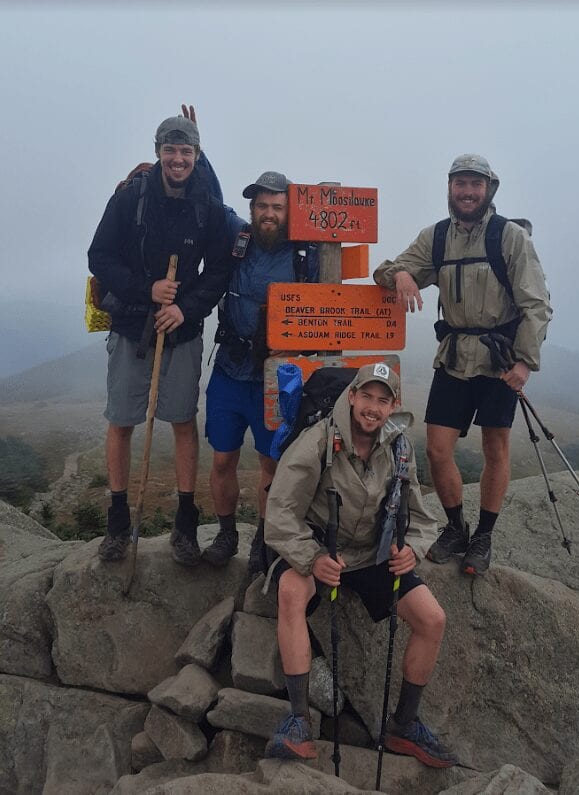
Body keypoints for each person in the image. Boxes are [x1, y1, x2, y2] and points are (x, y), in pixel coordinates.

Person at [263, 363, 457, 769]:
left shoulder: (399, 448)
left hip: (373, 552)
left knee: (432, 619)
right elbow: (280, 513)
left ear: (393, 406)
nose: (373, 407)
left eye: (382, 400)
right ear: (351, 397)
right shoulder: (317, 442)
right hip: (319, 544)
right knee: (291, 592)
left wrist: (413, 551)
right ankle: (297, 720)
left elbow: (421, 518)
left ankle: (404, 724)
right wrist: (312, 559)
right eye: (366, 396)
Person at [374, 154, 552, 575]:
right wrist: (401, 273)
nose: (468, 192)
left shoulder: (509, 238)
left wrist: (525, 362)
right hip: (453, 357)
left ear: (489, 188)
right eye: (460, 184)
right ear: (450, 188)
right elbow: (386, 270)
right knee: (437, 449)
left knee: (495, 447)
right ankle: (456, 527)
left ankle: (483, 536)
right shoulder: (436, 238)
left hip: (498, 360)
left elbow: (537, 304)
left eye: (475, 184)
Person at [88, 115, 232, 566]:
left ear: (196, 156)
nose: (177, 159)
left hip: (182, 329)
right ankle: (116, 522)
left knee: (182, 421)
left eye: (186, 151)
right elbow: (99, 257)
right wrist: (146, 290)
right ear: (158, 152)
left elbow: (221, 270)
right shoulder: (131, 198)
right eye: (170, 150)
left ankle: (184, 525)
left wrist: (184, 308)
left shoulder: (205, 205)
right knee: (122, 420)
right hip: (132, 325)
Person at [201, 172, 318, 573]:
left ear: (290, 210)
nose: (269, 214)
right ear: (252, 209)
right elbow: (214, 203)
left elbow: (326, 309)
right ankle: (227, 533)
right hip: (230, 370)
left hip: (279, 376)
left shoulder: (307, 255)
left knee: (272, 465)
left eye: (277, 206)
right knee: (222, 459)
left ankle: (263, 541)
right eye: (262, 206)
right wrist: (199, 159)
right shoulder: (239, 239)